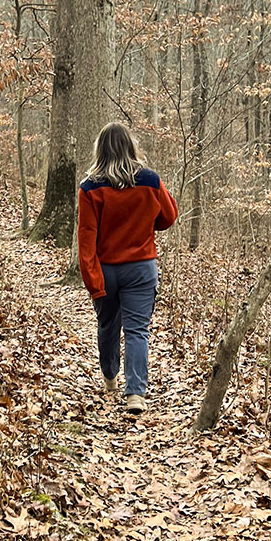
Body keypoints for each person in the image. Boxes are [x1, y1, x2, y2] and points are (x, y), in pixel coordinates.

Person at [77, 122, 178, 414]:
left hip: (106, 269)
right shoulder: (150, 181)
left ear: (101, 149)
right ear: (131, 146)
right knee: (137, 331)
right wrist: (146, 223)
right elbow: (169, 217)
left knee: (108, 326)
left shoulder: (89, 188)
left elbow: (87, 241)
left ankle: (110, 377)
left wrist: (94, 282)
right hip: (142, 267)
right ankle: (135, 394)